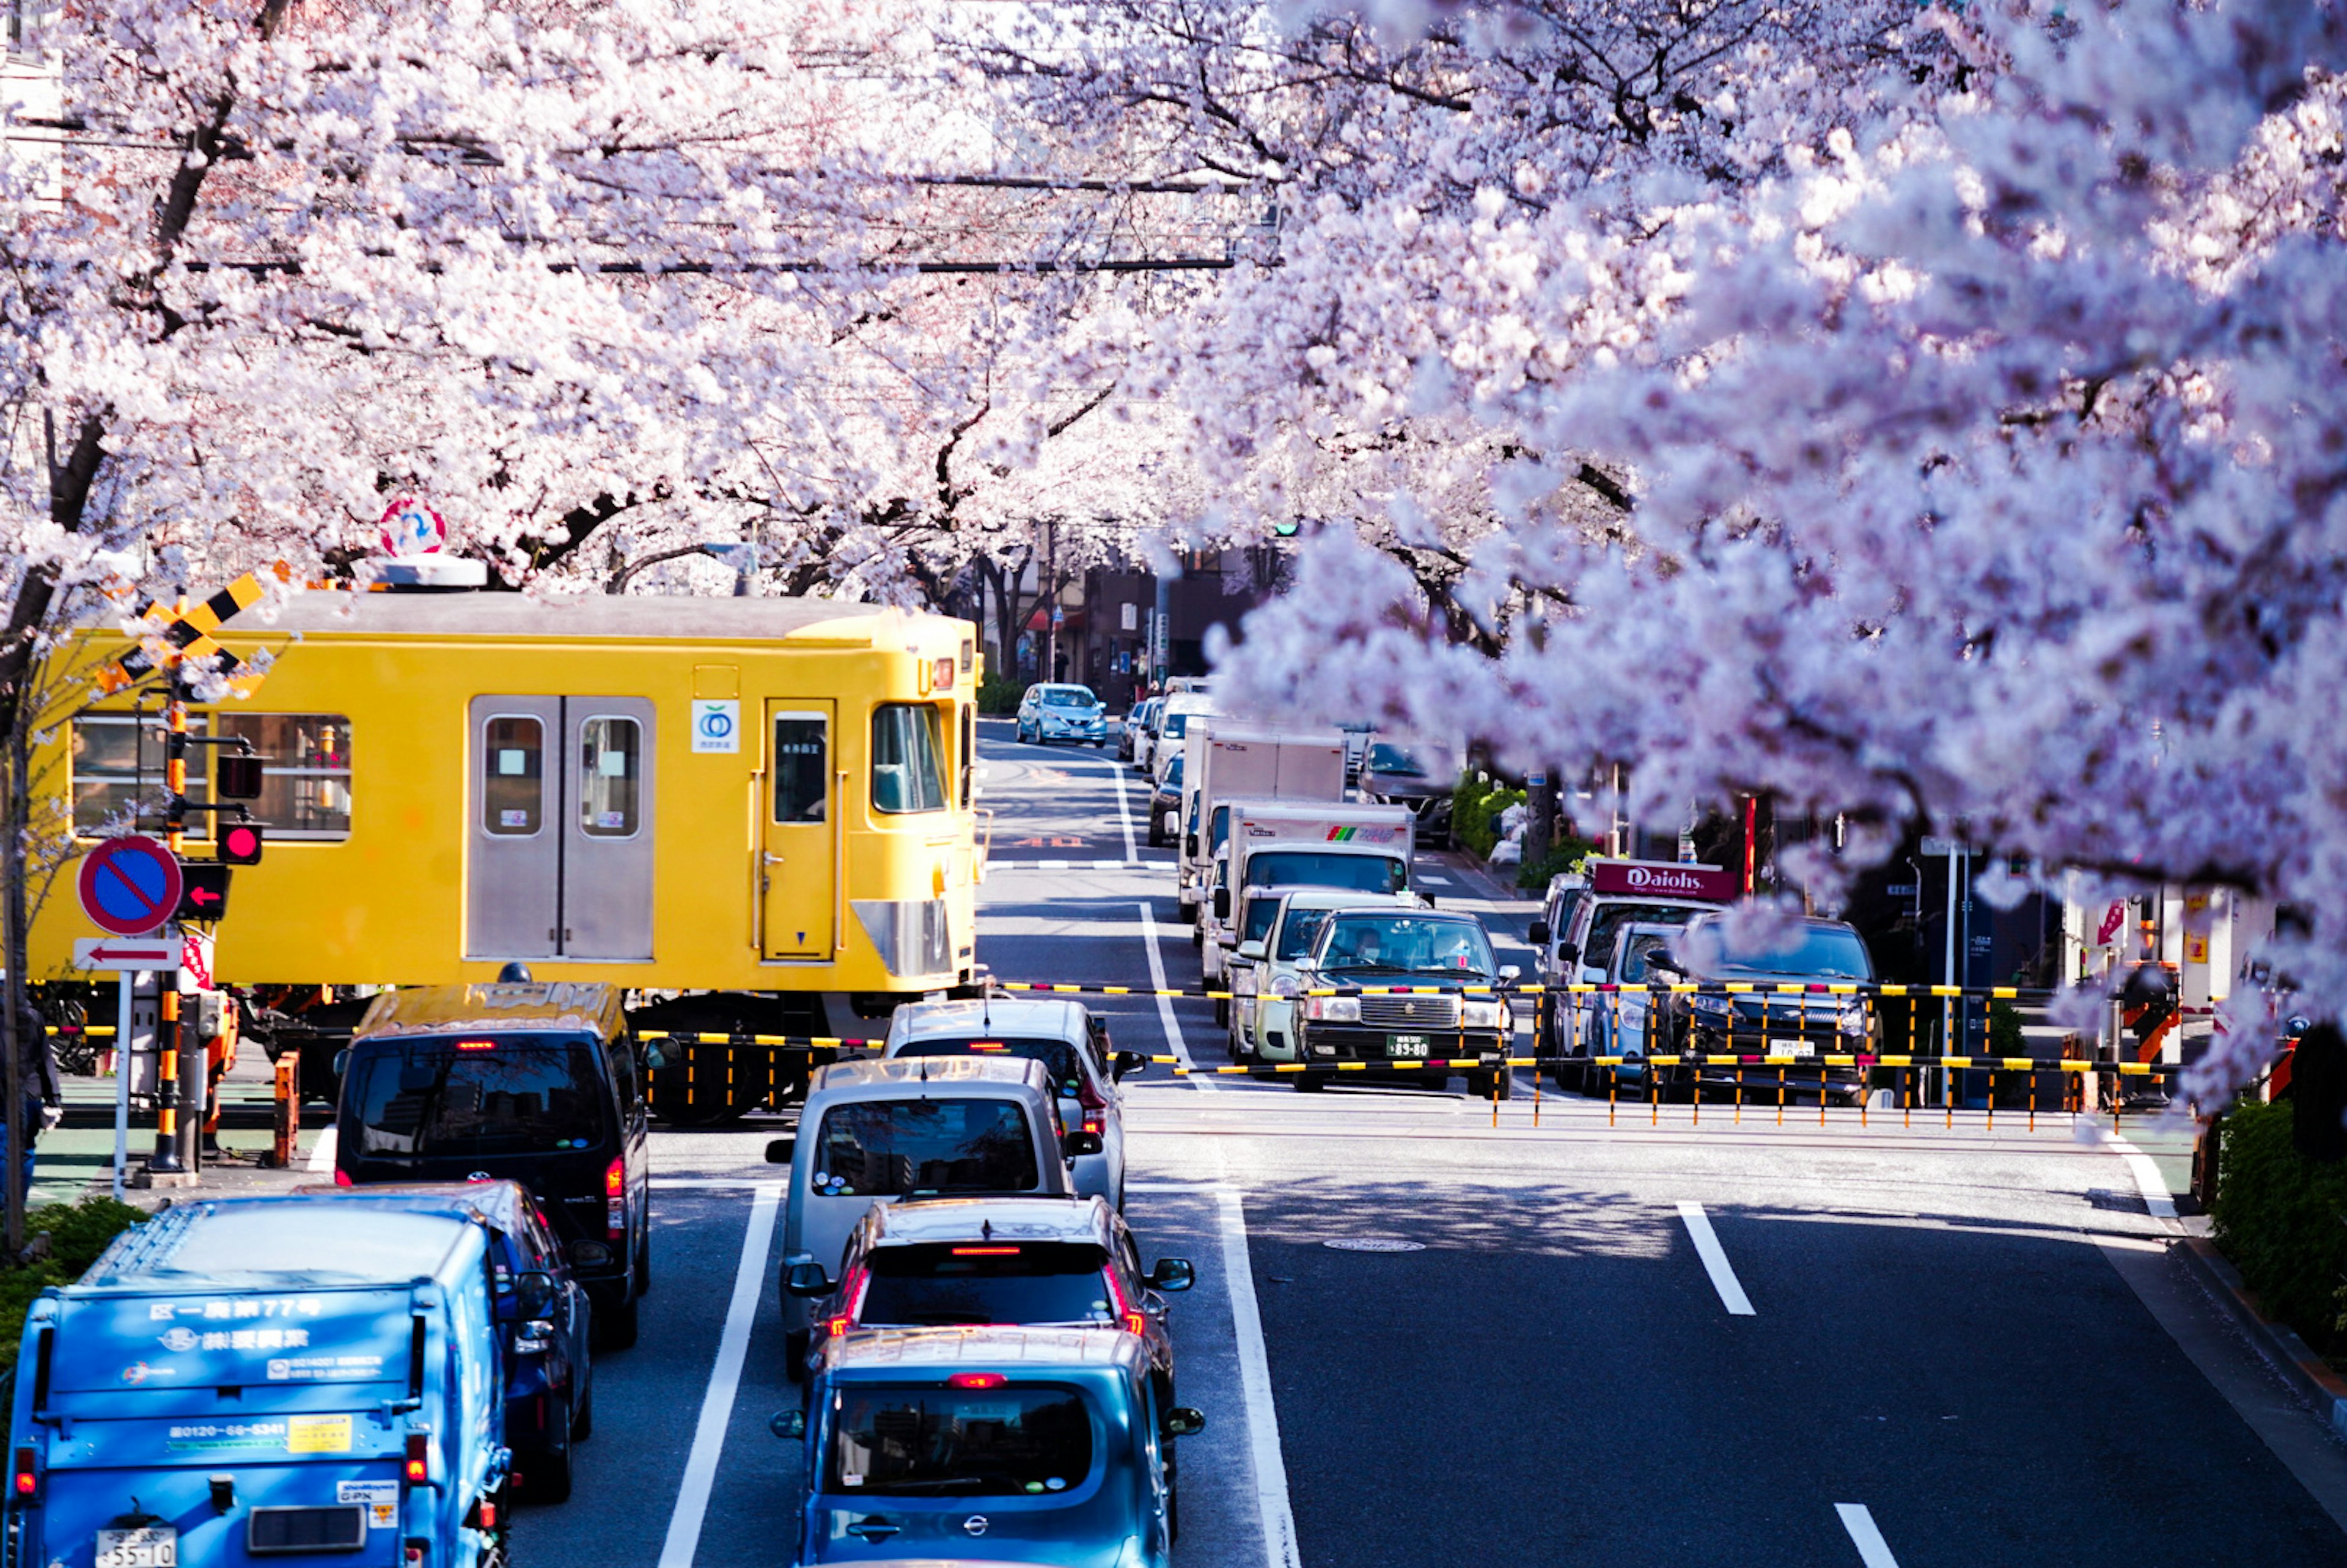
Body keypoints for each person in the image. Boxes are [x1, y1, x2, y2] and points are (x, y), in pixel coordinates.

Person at [5, 997, 64, 1201]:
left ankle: (5, 1202)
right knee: (25, 1149)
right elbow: (45, 1059)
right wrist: (53, 1100)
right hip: (29, 1092)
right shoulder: (32, 1017)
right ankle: (17, 1205)